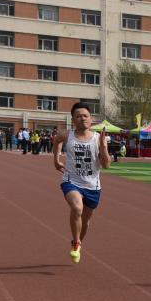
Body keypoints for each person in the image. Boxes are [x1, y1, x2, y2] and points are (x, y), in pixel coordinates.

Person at [53, 102, 111, 264]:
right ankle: (77, 242)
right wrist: (56, 160)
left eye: (85, 116)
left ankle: (76, 242)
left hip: (92, 185)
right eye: (78, 116)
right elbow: (57, 140)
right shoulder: (67, 135)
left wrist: (103, 147)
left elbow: (106, 165)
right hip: (72, 181)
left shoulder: (98, 138)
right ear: (73, 120)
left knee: (85, 222)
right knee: (77, 208)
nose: (82, 119)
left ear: (91, 119)